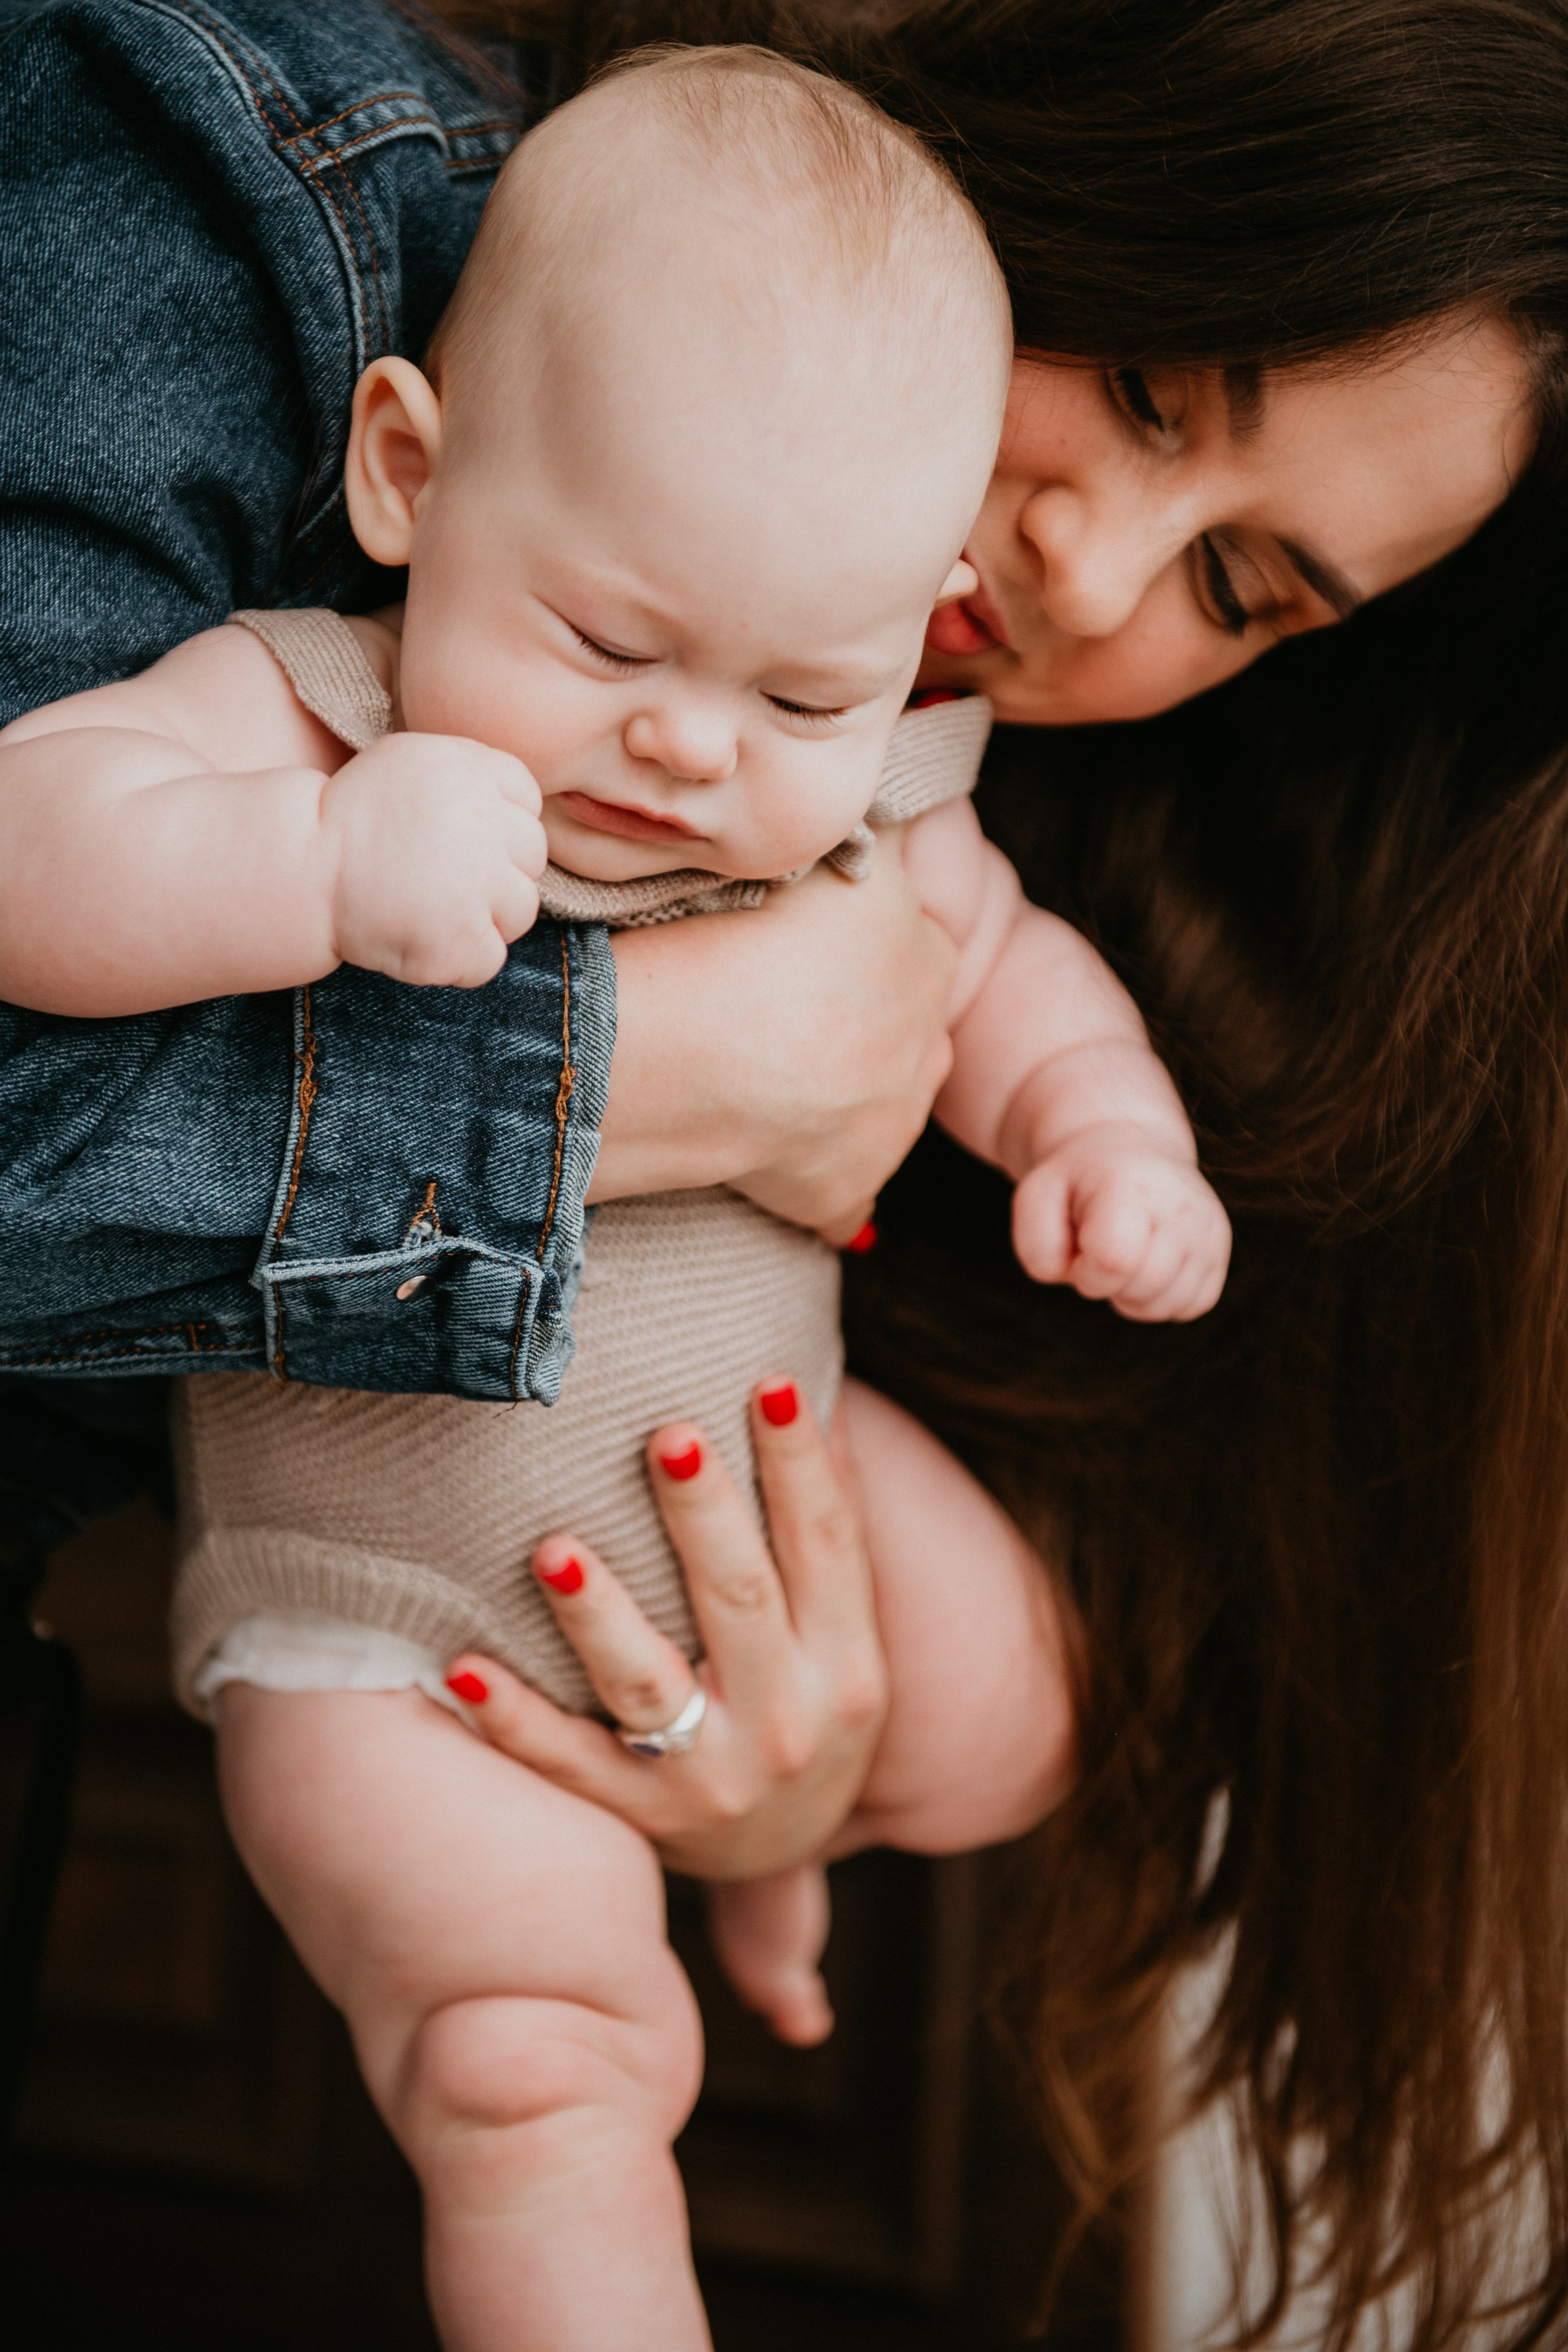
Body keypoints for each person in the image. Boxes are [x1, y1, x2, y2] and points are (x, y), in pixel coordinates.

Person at [0, 0, 1562, 2342]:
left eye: (1242, 591)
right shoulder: (301, 319)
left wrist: (1107, 1146)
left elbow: (1023, 998)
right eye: (1148, 390)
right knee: (542, 2076)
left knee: (1021, 1684)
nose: (1085, 571)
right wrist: (613, 1037)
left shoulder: (892, 780)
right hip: (378, 1617)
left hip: (669, 1528)